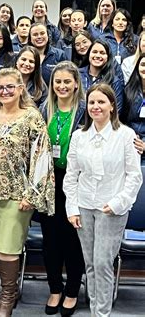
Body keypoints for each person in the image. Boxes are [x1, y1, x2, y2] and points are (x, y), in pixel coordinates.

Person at [0, 68, 55, 317]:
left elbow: (42, 157)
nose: (5, 92)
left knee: (8, 247)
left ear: (21, 88)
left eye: (10, 87)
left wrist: (32, 194)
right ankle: (6, 293)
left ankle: (8, 298)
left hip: (19, 193)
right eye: (1, 87)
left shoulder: (32, 117)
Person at [63, 83, 142, 317]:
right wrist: (72, 208)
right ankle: (95, 310)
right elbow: (71, 175)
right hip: (84, 205)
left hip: (111, 209)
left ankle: (102, 314)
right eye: (92, 102)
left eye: (101, 102)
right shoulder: (79, 136)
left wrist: (118, 203)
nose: (96, 107)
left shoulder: (126, 135)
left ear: (112, 106)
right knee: (90, 264)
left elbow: (134, 177)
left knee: (102, 264)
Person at [38, 61, 86, 316]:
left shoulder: (85, 111)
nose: (62, 86)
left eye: (67, 81)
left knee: (72, 241)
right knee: (51, 241)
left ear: (76, 84)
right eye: (58, 82)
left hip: (76, 183)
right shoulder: (44, 109)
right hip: (49, 182)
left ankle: (71, 291)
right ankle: (55, 288)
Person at [78, 39, 124, 113]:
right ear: (89, 54)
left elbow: (116, 110)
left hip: (102, 122)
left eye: (102, 53)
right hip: (78, 123)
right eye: (94, 52)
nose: (98, 55)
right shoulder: (77, 75)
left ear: (108, 57)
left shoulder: (114, 81)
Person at [121, 53, 145, 140]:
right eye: (143, 65)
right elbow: (121, 119)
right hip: (130, 138)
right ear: (137, 67)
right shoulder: (127, 91)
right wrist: (131, 136)